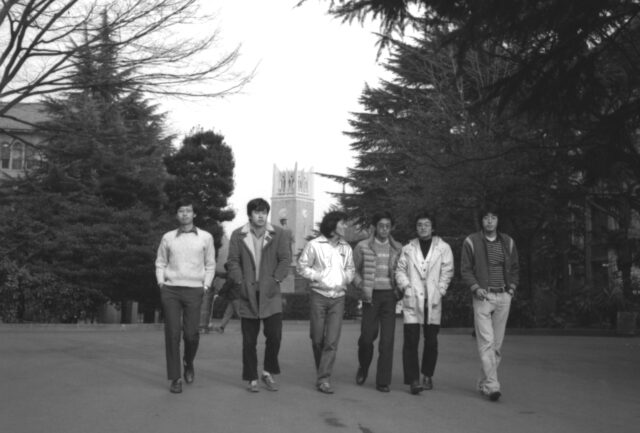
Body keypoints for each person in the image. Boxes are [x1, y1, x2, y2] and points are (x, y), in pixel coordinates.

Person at [226, 198, 291, 393]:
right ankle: (252, 377)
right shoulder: (238, 234)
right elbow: (233, 261)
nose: (261, 216)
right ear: (250, 215)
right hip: (248, 294)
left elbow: (285, 259)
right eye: (257, 212)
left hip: (271, 293)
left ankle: (268, 372)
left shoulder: (278, 233)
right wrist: (240, 281)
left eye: (264, 212)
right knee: (249, 341)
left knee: (275, 336)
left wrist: (276, 279)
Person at [155, 198, 216, 394]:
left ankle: (188, 362)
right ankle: (175, 378)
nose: (184, 214)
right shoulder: (168, 237)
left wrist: (205, 285)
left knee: (191, 334)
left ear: (194, 214)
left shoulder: (205, 237)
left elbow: (210, 264)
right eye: (181, 211)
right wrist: (161, 282)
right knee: (172, 334)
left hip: (194, 289)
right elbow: (160, 262)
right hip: (171, 289)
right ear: (177, 214)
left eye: (188, 211)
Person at [461, 207, 519, 402]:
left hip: (503, 296)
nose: (490, 221)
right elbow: (466, 269)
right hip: (483, 298)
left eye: (493, 217)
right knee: (486, 343)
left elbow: (515, 268)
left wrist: (511, 289)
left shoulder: (508, 242)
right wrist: (476, 288)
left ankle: (483, 382)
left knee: (496, 346)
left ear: (498, 220)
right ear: (481, 221)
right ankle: (493, 386)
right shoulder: (471, 241)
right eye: (486, 217)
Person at [395, 211, 453, 395]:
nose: (423, 228)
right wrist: (406, 286)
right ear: (416, 228)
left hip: (433, 299)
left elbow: (447, 271)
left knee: (431, 341)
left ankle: (427, 374)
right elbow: (400, 270)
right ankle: (413, 380)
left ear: (433, 227)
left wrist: (440, 290)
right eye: (419, 225)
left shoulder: (443, 248)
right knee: (411, 340)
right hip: (413, 298)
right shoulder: (408, 248)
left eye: (426, 224)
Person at [297, 210, 355, 394]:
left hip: (338, 298)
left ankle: (323, 379)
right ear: (333, 225)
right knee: (316, 339)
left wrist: (344, 279)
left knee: (331, 341)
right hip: (318, 296)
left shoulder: (346, 248)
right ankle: (322, 371)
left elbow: (351, 269)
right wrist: (319, 277)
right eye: (342, 223)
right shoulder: (314, 245)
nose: (345, 226)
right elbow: (301, 267)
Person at [353, 211, 403, 392]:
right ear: (375, 227)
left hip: (390, 296)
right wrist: (361, 284)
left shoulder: (398, 248)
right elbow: (353, 270)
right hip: (371, 297)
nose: (384, 229)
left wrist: (400, 290)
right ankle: (364, 365)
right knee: (367, 338)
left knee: (387, 341)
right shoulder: (363, 246)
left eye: (388, 226)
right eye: (381, 226)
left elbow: (402, 271)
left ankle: (383, 381)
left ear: (391, 228)